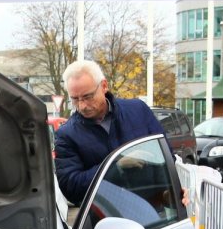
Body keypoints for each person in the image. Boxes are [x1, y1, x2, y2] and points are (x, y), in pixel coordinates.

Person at [54, 60, 169, 206]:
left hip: (153, 212)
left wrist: (170, 192)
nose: (82, 106)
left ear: (104, 86)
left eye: (88, 97)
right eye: (75, 99)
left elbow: (164, 155)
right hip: (106, 218)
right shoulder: (66, 135)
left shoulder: (138, 110)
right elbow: (71, 188)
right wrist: (115, 167)